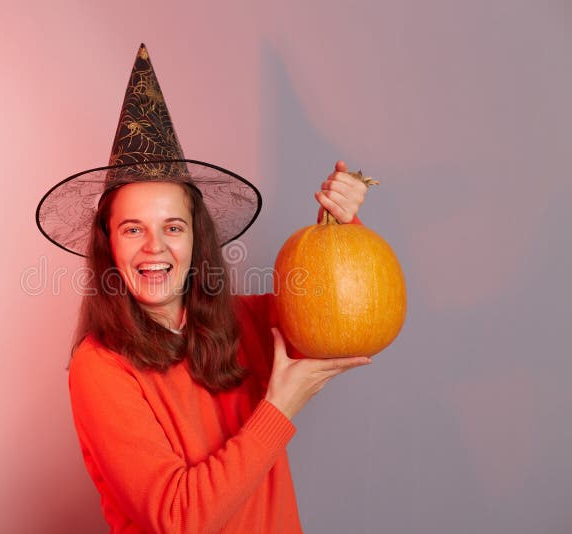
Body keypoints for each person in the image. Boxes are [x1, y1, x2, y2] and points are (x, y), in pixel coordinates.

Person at [36, 44, 373, 533]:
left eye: (173, 227)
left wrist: (343, 223)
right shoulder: (100, 366)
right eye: (133, 229)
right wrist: (280, 408)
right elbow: (180, 519)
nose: (155, 248)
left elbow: (347, 314)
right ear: (108, 244)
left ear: (197, 239)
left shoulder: (249, 322)